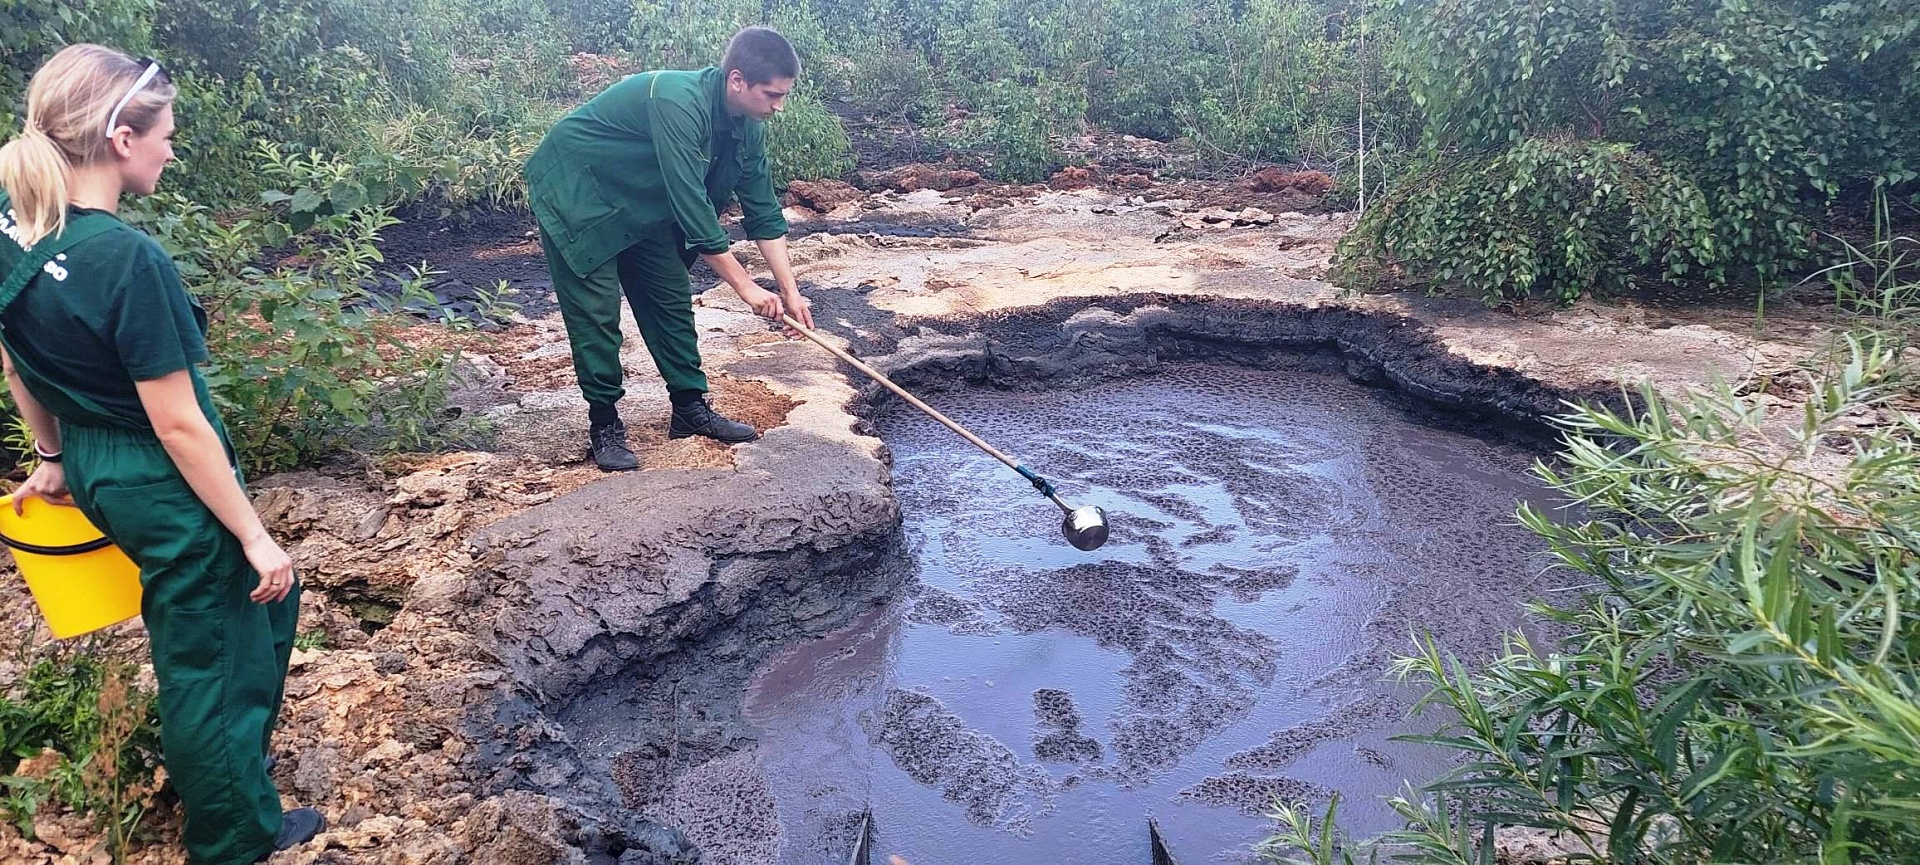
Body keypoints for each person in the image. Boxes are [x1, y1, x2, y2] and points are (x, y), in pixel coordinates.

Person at [0, 45, 323, 864]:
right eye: (165, 134)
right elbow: (181, 424)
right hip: (160, 471)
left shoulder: (13, 222)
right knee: (218, 639)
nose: (171, 149)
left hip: (96, 459)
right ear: (119, 137)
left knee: (219, 627)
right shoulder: (127, 262)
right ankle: (234, 836)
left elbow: (12, 354)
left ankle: (219, 763)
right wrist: (253, 535)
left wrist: (54, 453)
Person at [525, 25, 816, 471]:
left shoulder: (748, 123)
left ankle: (689, 409)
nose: (778, 107)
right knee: (598, 315)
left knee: (670, 300)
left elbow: (762, 207)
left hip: (642, 204)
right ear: (737, 80)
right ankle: (604, 422)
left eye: (783, 96)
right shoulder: (676, 99)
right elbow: (691, 204)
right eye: (772, 95)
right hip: (580, 195)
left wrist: (789, 291)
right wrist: (747, 289)